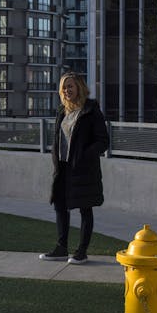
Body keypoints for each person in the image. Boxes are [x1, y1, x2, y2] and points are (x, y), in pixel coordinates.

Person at [40, 72, 111, 265]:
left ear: (79, 87)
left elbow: (103, 141)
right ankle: (61, 248)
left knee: (85, 208)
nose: (67, 90)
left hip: (83, 169)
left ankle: (81, 252)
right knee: (60, 206)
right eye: (64, 87)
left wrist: (84, 156)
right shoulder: (62, 111)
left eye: (70, 86)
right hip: (62, 167)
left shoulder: (91, 110)